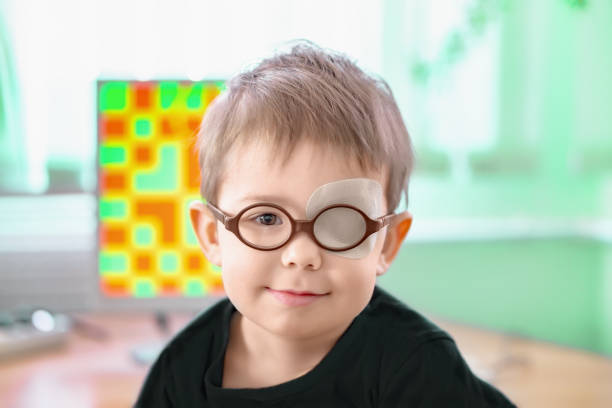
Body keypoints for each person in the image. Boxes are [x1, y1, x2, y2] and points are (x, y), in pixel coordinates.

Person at [134, 41, 516, 407]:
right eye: (265, 218)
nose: (302, 256)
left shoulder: (417, 369)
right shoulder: (181, 371)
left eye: (341, 221)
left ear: (385, 243)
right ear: (211, 234)